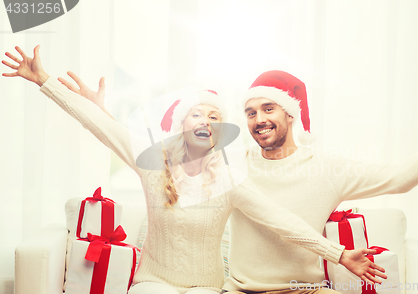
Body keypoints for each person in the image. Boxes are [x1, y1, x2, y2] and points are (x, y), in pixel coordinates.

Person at [2, 46, 388, 294]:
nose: (206, 120)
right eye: (197, 113)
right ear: (182, 126)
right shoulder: (153, 165)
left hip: (207, 287)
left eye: (216, 116)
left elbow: (281, 220)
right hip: (154, 282)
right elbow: (103, 128)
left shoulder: (231, 180)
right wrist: (45, 81)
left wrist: (338, 254)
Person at [221, 70, 418, 293]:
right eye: (251, 113)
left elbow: (399, 179)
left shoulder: (324, 168)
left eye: (269, 109)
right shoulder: (235, 165)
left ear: (290, 114)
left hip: (305, 290)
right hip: (241, 290)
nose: (259, 120)